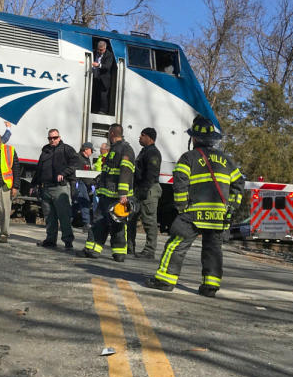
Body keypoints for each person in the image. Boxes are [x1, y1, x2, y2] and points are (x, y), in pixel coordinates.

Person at [144, 116, 244, 297]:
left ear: (194, 138)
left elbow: (180, 182)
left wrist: (181, 206)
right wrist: (232, 208)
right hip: (218, 216)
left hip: (193, 213)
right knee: (213, 249)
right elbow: (239, 183)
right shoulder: (226, 160)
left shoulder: (188, 157)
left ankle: (165, 280)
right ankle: (210, 287)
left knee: (176, 244)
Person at [83, 124, 135, 262]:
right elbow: (108, 173)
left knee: (115, 223)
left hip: (117, 196)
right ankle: (96, 251)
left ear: (112, 133)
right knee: (103, 222)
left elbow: (126, 172)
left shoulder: (125, 149)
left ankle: (116, 253)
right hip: (108, 194)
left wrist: (123, 194)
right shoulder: (116, 149)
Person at [32, 128, 81, 249]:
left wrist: (64, 173)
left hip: (59, 188)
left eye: (54, 138)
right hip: (46, 188)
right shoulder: (45, 150)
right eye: (50, 138)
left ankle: (68, 242)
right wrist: (34, 184)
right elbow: (39, 168)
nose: (52, 140)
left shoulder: (66, 149)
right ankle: (50, 240)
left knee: (64, 216)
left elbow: (76, 162)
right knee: (49, 217)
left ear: (59, 137)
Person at [128, 128, 162, 258]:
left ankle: (149, 250)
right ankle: (129, 247)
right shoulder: (144, 151)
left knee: (149, 220)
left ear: (150, 138)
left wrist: (143, 191)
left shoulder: (153, 153)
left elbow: (151, 175)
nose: (139, 137)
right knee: (130, 219)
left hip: (149, 189)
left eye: (142, 135)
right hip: (139, 189)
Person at [73, 142, 96, 243]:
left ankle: (67, 221)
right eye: (91, 150)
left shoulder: (86, 159)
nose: (92, 152)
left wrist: (92, 183)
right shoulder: (78, 158)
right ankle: (86, 224)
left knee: (77, 204)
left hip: (84, 183)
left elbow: (88, 173)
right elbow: (80, 173)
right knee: (84, 201)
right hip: (79, 182)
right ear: (86, 149)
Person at [91, 41, 116, 114]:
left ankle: (103, 111)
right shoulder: (94, 52)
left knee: (103, 96)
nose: (99, 51)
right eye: (98, 49)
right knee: (95, 94)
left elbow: (107, 67)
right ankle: (94, 109)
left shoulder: (109, 55)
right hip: (95, 77)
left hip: (104, 79)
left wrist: (98, 65)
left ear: (105, 48)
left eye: (101, 50)